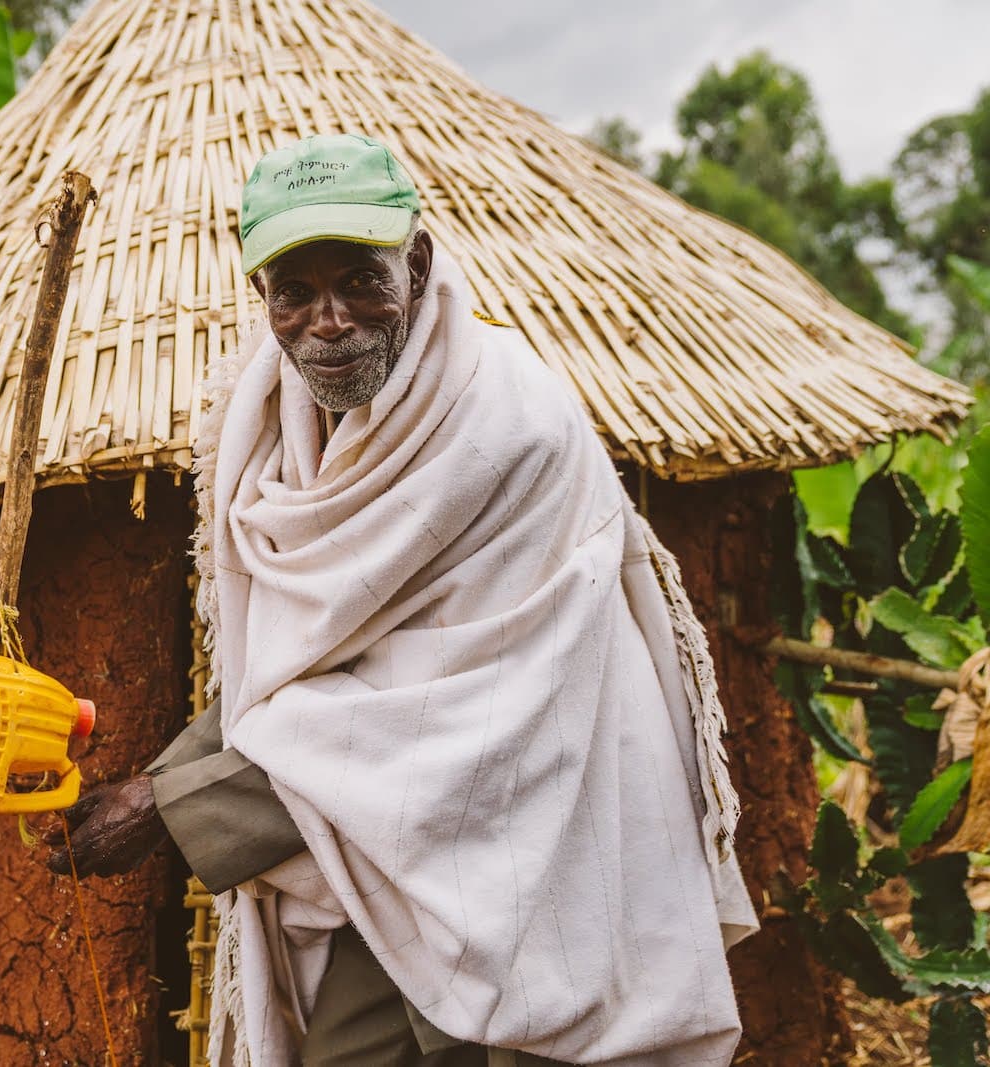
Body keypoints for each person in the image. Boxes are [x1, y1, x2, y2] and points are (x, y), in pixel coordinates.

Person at [45, 134, 758, 1066]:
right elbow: (299, 671)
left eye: (360, 281)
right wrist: (156, 781)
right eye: (293, 292)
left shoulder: (511, 427)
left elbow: (458, 713)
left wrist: (169, 805)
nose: (328, 322)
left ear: (418, 265)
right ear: (261, 296)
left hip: (542, 847)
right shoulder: (270, 433)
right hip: (386, 864)